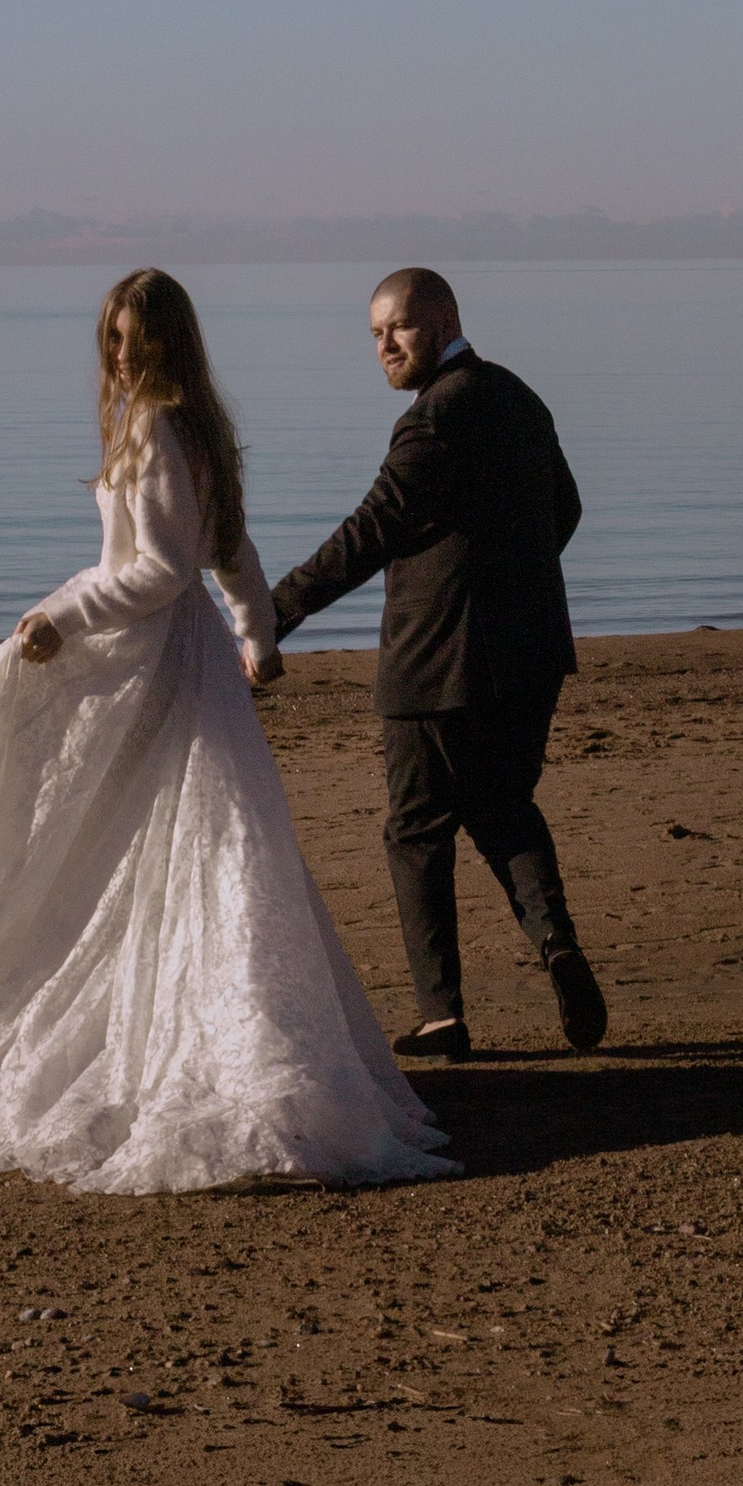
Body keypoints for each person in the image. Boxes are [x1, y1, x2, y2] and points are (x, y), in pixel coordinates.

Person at [0, 270, 456, 1195]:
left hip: (154, 660)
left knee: (173, 839)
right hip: (191, 659)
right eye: (113, 338)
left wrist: (63, 617)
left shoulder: (157, 424)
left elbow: (167, 568)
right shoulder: (192, 423)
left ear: (168, 342)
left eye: (136, 338)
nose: (122, 354)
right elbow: (231, 550)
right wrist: (255, 637)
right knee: (177, 841)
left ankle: (212, 1056)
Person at [270, 267, 606, 1063]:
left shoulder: (434, 419)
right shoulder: (519, 396)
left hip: (435, 663)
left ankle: (442, 1017)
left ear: (444, 320)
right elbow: (567, 509)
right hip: (531, 654)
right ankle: (557, 947)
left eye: (401, 329)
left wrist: (276, 609)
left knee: (416, 832)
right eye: (376, 335)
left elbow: (371, 530)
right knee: (503, 807)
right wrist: (506, 584)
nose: (385, 346)